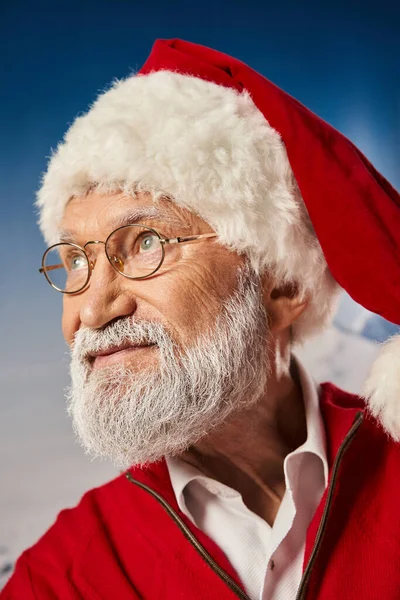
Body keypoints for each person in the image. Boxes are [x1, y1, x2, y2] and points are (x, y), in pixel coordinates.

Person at [2, 39, 400, 600]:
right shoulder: (60, 579)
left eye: (144, 242)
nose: (91, 310)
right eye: (75, 260)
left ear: (283, 285)